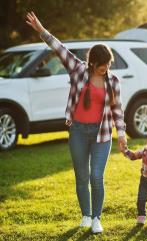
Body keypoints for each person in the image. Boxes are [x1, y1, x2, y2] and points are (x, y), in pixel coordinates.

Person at [26, 12, 127, 233]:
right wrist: (41, 30)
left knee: (96, 176)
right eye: (102, 65)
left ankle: (97, 218)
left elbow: (117, 110)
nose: (106, 68)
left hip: (102, 134)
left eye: (108, 64)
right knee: (81, 176)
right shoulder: (79, 69)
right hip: (79, 131)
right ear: (93, 62)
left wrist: (122, 136)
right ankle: (86, 216)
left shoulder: (114, 81)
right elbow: (58, 47)